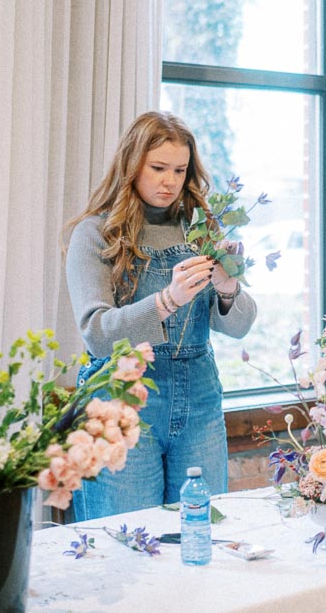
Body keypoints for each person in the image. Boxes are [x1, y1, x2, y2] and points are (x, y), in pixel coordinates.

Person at [65, 111, 256, 520]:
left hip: (200, 399)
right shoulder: (95, 234)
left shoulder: (201, 231)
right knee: (127, 541)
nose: (169, 182)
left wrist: (227, 285)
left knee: (202, 532)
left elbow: (239, 326)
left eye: (179, 170)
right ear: (131, 163)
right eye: (158, 168)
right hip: (122, 403)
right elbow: (96, 334)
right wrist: (167, 300)